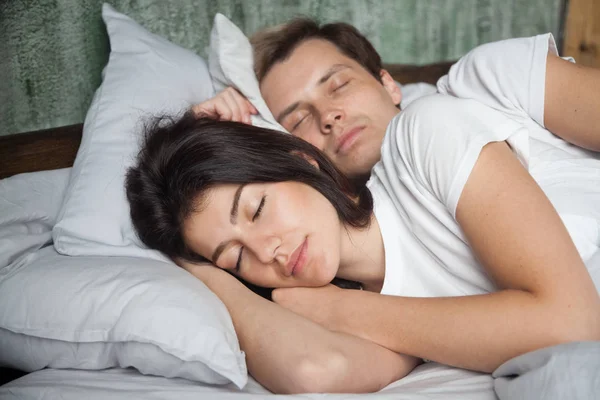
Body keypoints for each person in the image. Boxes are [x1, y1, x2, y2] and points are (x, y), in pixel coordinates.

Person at [128, 18, 600, 394]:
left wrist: (341, 311)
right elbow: (316, 372)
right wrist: (198, 264)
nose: (265, 250)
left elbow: (572, 323)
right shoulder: (341, 297)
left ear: (300, 161)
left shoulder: (427, 129)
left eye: (256, 211)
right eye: (236, 257)